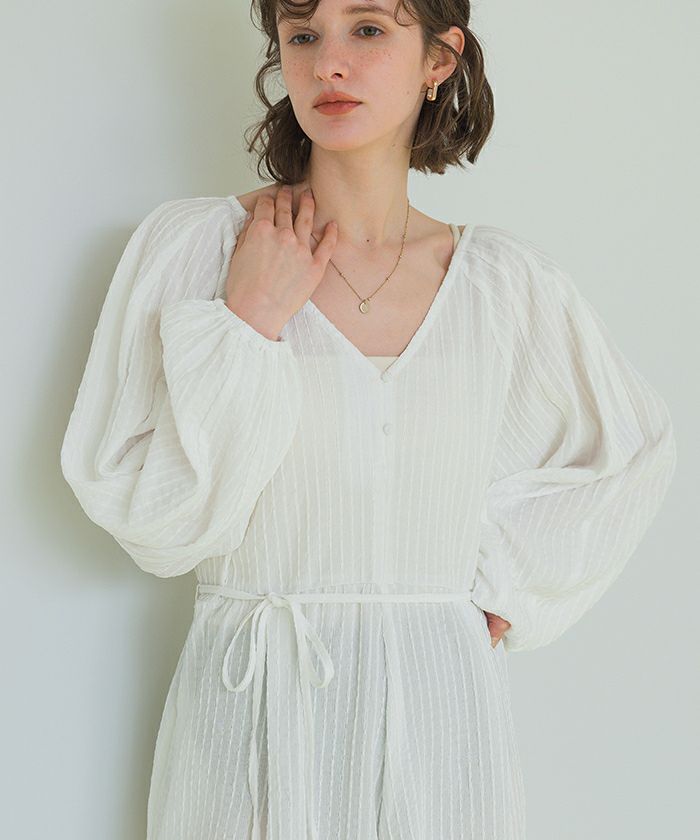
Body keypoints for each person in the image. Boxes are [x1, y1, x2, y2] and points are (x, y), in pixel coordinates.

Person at [59, 1, 677, 838]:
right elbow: (156, 523)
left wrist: (508, 583)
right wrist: (248, 322)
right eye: (303, 36)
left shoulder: (505, 285)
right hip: (253, 720)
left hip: (441, 721)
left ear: (440, 59)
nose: (328, 64)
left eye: (369, 29)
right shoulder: (200, 249)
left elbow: (631, 451)